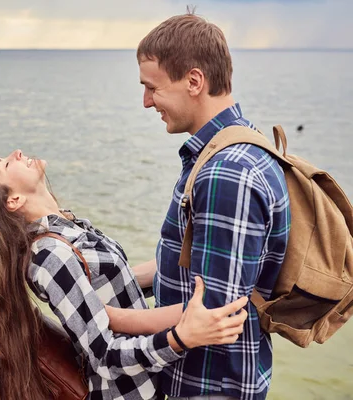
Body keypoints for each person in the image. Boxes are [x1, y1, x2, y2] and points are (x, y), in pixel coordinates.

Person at [0, 150, 249, 400]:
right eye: (5, 165)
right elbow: (104, 354)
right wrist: (181, 338)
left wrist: (206, 260)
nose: (16, 153)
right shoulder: (48, 255)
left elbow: (117, 283)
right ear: (13, 200)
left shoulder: (66, 227)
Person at [137, 11, 290, 400]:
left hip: (209, 387)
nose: (146, 101)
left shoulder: (228, 173)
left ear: (194, 81)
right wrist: (102, 275)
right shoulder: (232, 147)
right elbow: (195, 266)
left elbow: (214, 313)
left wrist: (102, 318)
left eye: (152, 87)